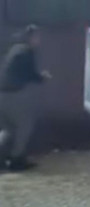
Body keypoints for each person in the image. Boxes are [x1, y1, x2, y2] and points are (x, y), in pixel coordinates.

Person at [0, 25, 51, 171]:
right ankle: (17, 159)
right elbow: (30, 74)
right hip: (13, 95)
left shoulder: (15, 49)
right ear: (31, 37)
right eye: (37, 37)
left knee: (7, 129)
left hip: (2, 94)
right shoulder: (27, 51)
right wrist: (43, 77)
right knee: (25, 125)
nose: (39, 40)